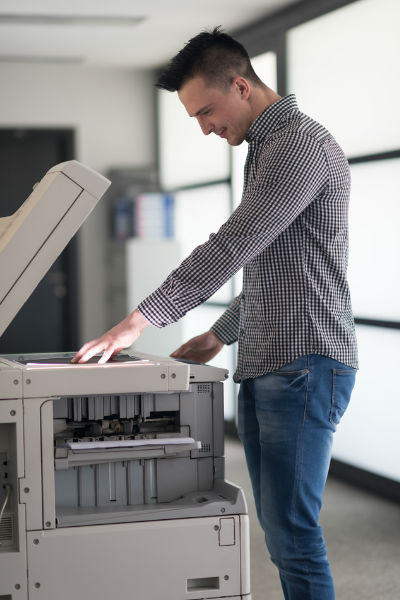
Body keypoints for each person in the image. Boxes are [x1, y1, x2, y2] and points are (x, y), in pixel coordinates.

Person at [73, 27, 358, 600]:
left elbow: (235, 244)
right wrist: (218, 333)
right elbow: (278, 270)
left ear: (241, 85)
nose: (204, 127)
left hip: (303, 366)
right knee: (281, 530)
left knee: (294, 535)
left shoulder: (299, 145)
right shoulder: (268, 148)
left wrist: (141, 318)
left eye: (206, 111)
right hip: (272, 362)